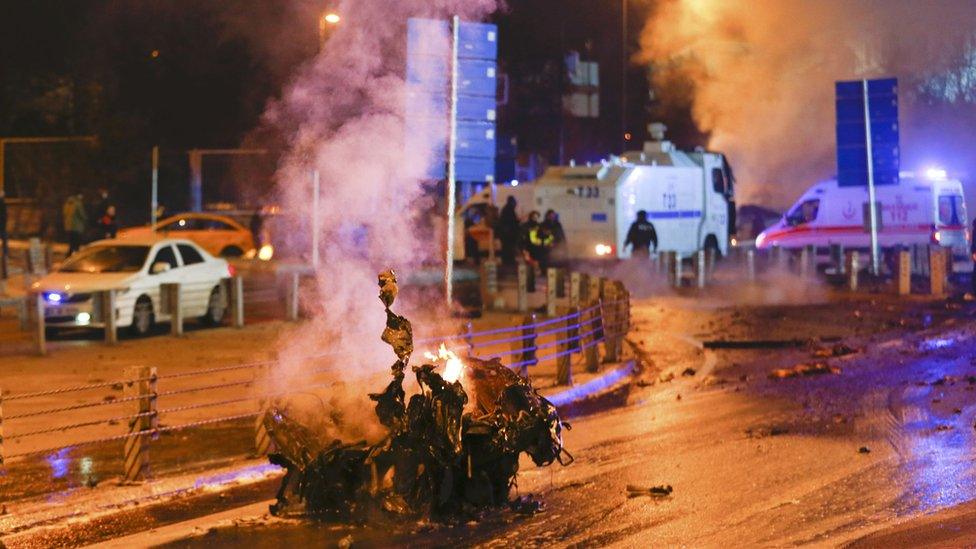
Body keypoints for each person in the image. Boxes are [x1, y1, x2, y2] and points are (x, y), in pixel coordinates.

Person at [495, 196, 521, 266]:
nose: (516, 204)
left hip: (506, 234)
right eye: (514, 202)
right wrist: (517, 222)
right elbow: (511, 222)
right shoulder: (509, 209)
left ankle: (507, 261)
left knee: (507, 248)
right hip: (508, 234)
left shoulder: (507, 209)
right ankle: (508, 261)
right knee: (508, 248)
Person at [0, 191, 8, 280]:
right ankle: (5, 254)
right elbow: (5, 215)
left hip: (2, 226)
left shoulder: (2, 204)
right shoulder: (3, 204)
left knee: (4, 240)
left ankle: (5, 254)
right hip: (2, 226)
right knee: (4, 241)